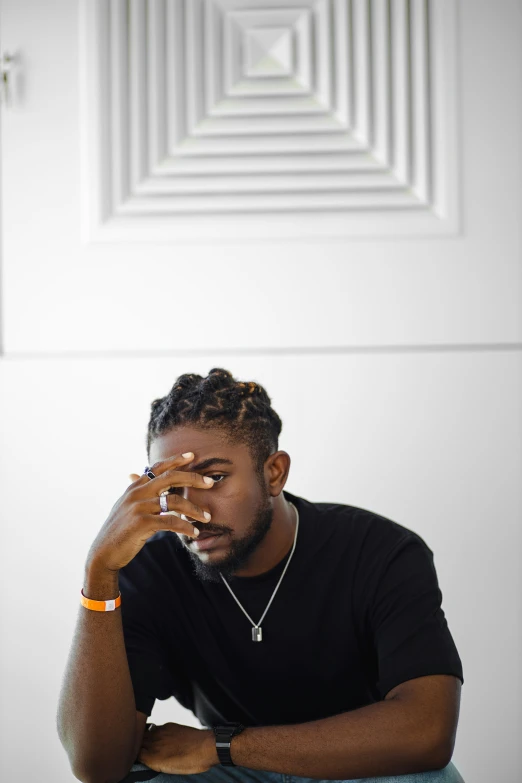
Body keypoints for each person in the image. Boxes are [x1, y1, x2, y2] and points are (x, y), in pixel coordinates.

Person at [57, 368, 465, 783]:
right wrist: (100, 571)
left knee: (429, 777)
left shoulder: (380, 550)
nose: (192, 512)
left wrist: (219, 745)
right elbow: (98, 767)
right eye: (171, 488)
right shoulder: (150, 569)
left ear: (274, 473)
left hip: (362, 766)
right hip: (236, 774)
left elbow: (427, 732)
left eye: (214, 478)